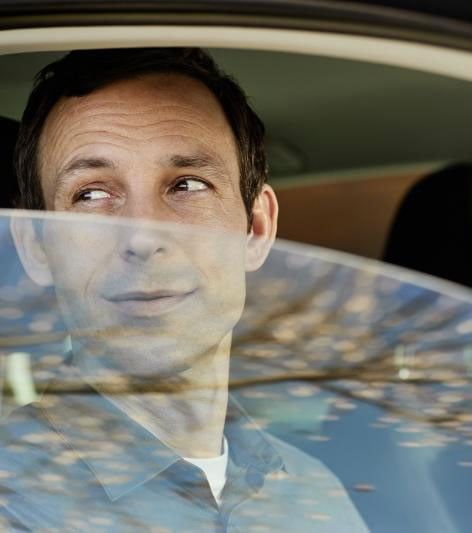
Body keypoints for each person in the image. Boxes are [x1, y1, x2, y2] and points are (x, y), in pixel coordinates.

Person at [0, 48, 368, 532]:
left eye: (187, 185)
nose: (143, 236)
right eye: (91, 194)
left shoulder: (312, 494)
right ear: (36, 247)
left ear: (256, 229)